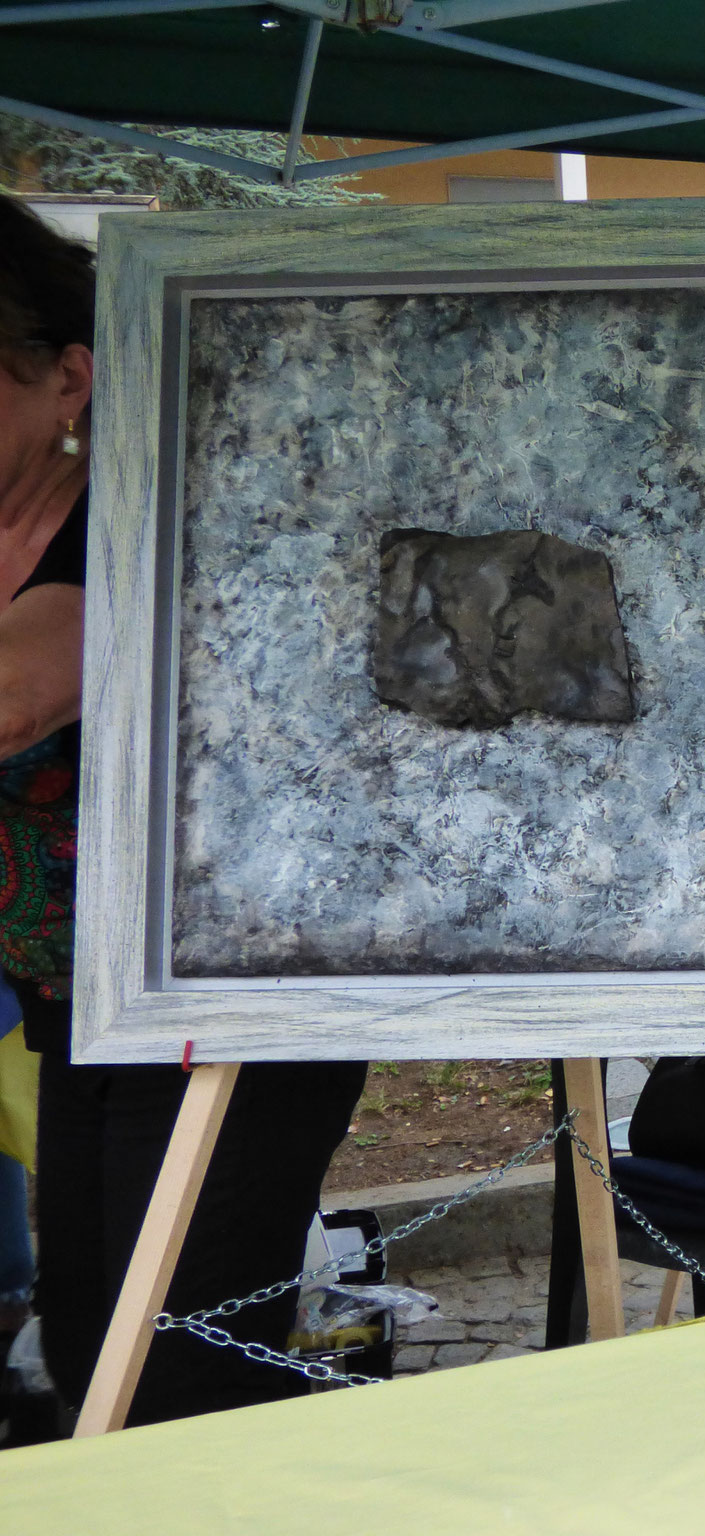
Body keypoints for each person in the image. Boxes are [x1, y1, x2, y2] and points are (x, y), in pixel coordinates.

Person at [0, 193, 366, 1426]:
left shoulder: (140, 520)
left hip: (229, 1008)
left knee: (175, 1371)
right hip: (82, 1006)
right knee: (84, 1340)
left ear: (68, 379)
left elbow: (17, 695)